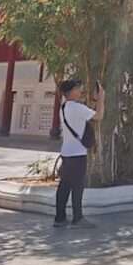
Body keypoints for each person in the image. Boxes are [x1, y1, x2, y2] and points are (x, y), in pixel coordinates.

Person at [55, 79, 103, 228]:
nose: (81, 90)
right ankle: (78, 218)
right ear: (71, 91)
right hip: (77, 154)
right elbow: (99, 116)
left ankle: (60, 218)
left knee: (64, 186)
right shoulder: (77, 107)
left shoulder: (63, 108)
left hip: (66, 153)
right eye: (78, 88)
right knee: (77, 186)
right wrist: (102, 99)